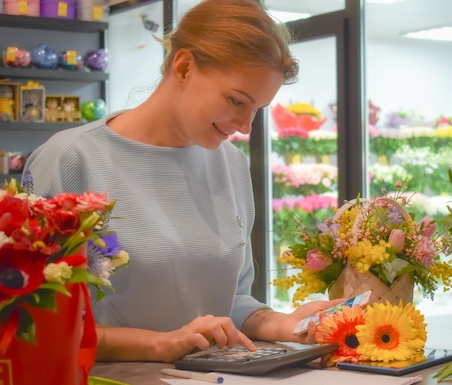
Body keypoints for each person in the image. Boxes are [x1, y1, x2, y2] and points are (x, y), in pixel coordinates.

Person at [23, 0, 341, 363]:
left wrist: (284, 324)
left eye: (256, 109)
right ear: (184, 66)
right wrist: (158, 345)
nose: (245, 126)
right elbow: (34, 320)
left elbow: (231, 301)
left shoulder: (232, 165)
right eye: (236, 100)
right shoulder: (71, 159)